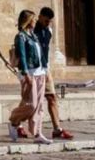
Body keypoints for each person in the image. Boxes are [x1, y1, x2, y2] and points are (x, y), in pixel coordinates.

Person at [7, 10, 52, 145]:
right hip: (29, 74)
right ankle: (14, 120)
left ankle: (37, 133)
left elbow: (41, 54)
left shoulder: (33, 36)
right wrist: (26, 73)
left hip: (40, 73)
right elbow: (23, 55)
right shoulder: (21, 36)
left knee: (39, 107)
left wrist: (45, 70)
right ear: (28, 21)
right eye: (33, 20)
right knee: (31, 105)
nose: (35, 22)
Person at [32, 7, 73, 140]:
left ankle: (57, 129)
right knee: (30, 102)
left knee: (52, 98)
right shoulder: (31, 31)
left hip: (44, 68)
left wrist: (47, 68)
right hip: (32, 70)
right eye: (46, 20)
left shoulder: (49, 31)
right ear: (40, 17)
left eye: (49, 21)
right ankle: (15, 123)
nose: (47, 23)